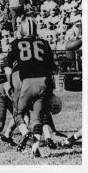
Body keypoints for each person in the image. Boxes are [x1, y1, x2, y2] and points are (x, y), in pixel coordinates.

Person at [5, 14, 56, 157]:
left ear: (23, 29)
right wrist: (51, 89)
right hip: (43, 83)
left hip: (26, 82)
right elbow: (51, 68)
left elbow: (8, 68)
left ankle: (25, 132)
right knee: (38, 117)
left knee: (18, 113)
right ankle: (35, 149)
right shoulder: (44, 43)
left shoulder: (15, 43)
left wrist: (10, 84)